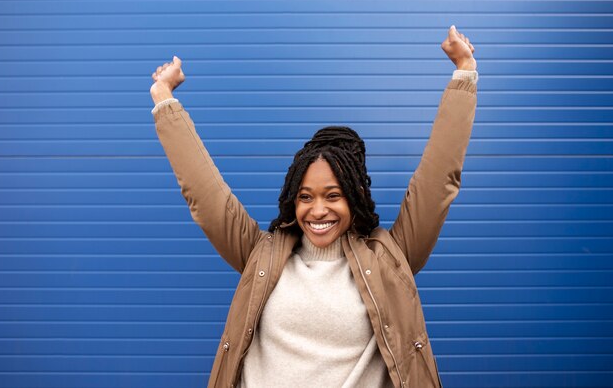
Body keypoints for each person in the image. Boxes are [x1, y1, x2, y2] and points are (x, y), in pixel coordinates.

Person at [150, 26, 477, 388]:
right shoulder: (262, 255)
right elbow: (204, 193)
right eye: (305, 197)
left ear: (355, 199)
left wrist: (464, 72)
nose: (317, 210)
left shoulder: (390, 259)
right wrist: (164, 98)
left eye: (333, 196)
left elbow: (437, 180)